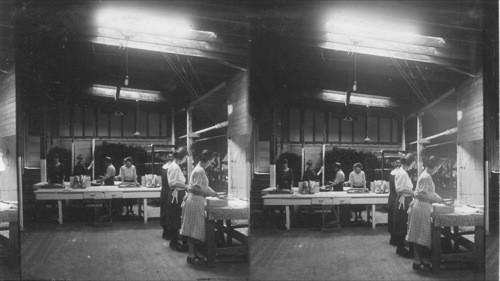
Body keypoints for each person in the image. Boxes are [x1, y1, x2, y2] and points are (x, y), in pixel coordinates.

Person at [407, 156, 446, 271]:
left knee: (419, 236)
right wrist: (437, 200)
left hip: (421, 207)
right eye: (438, 167)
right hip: (421, 208)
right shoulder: (426, 177)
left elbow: (430, 192)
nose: (438, 170)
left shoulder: (426, 175)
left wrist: (442, 199)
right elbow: (421, 195)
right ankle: (417, 261)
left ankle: (417, 261)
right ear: (434, 166)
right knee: (420, 236)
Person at [180, 150, 219, 265]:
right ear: (207, 160)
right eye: (211, 161)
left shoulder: (199, 169)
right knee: (193, 230)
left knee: (194, 230)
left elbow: (203, 185)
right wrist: (210, 194)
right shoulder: (199, 170)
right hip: (195, 201)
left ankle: (193, 254)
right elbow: (194, 189)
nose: (211, 164)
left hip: (195, 201)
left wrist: (214, 193)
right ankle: (191, 256)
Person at [164, 147, 190, 252]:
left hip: (177, 193)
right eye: (186, 158)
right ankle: (174, 243)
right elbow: (172, 183)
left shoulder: (174, 165)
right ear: (182, 157)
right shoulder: (175, 167)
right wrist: (186, 186)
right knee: (175, 217)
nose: (186, 160)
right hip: (177, 194)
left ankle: (174, 241)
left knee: (175, 217)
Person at [392, 153, 416, 258]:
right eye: (414, 163)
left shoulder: (403, 171)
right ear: (410, 163)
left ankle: (400, 247)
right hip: (403, 200)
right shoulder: (402, 173)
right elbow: (399, 189)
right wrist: (413, 192)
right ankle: (400, 249)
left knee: (402, 223)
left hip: (405, 199)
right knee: (402, 223)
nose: (414, 165)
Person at [388, 159, 402, 246]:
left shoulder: (392, 172)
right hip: (397, 197)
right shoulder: (400, 173)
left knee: (392, 217)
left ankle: (393, 238)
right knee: (397, 218)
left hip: (392, 197)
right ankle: (396, 239)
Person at [160, 154, 174, 240]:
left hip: (164, 191)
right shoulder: (171, 168)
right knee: (170, 211)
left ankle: (165, 232)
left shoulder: (163, 167)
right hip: (169, 191)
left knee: (164, 211)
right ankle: (169, 233)